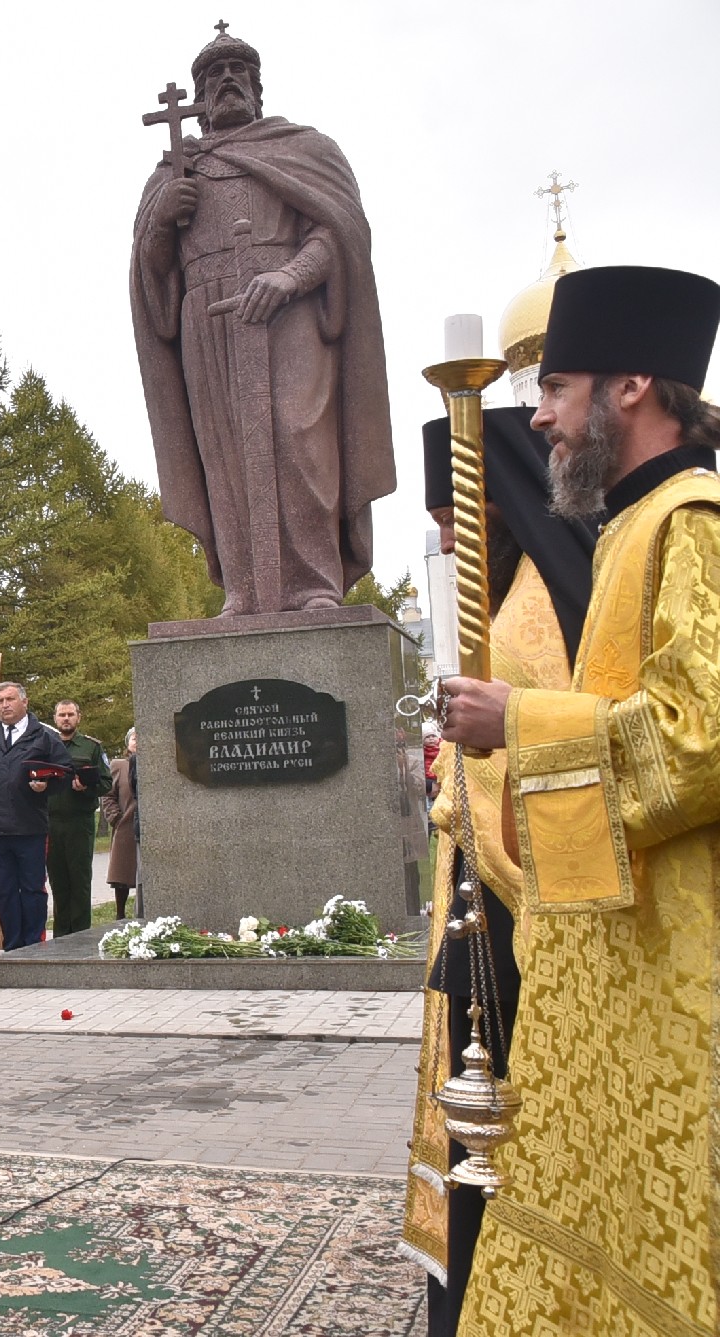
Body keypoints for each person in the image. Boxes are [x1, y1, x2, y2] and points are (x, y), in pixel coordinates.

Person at [436, 265, 720, 1337]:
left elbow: (698, 738)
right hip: (614, 947)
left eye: (555, 387)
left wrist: (519, 718)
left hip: (672, 951)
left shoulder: (692, 522)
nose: (541, 416)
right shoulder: (630, 526)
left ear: (632, 383)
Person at [400, 406, 597, 1336]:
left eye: (457, 519)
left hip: (524, 906)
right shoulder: (499, 599)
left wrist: (467, 778)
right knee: (470, 1111)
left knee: (506, 1118)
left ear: (503, 503)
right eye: (439, 523)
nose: (448, 540)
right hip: (474, 903)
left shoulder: (540, 609)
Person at [130, 23, 393, 614]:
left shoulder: (305, 150)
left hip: (288, 312)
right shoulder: (173, 172)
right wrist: (160, 223)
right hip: (208, 321)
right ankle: (244, 589)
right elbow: (151, 279)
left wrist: (291, 277)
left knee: (297, 437)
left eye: (238, 72)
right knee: (225, 452)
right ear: (198, 98)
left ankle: (314, 584)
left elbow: (340, 233)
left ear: (256, 86)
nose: (226, 81)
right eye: (213, 75)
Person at [0, 682, 68, 951]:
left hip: (30, 828)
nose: (4, 705)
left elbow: (65, 774)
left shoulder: (44, 736)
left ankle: (33, 946)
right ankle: (12, 947)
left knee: (32, 889)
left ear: (24, 702)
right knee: (4, 891)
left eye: (10, 699)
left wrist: (46, 786)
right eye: (0, 701)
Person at [45, 700, 110, 937]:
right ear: (55, 719)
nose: (66, 719)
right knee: (58, 881)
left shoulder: (91, 747)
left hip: (79, 822)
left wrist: (87, 788)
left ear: (78, 717)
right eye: (62, 714)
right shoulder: (46, 746)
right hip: (51, 823)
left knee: (80, 880)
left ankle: (81, 936)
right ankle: (61, 937)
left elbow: (106, 783)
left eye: (70, 714)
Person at [100, 729, 142, 921]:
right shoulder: (118, 765)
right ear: (128, 743)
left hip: (146, 826)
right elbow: (108, 795)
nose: (137, 741)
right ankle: (120, 914)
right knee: (122, 874)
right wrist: (115, 817)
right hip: (125, 825)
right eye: (134, 738)